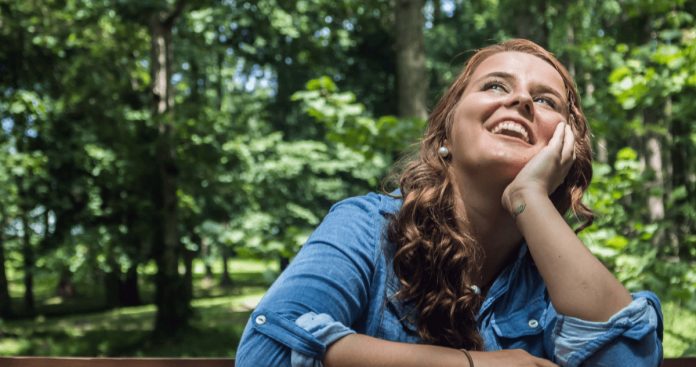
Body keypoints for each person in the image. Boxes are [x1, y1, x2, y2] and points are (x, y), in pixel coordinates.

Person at [235, 39, 663, 367]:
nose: (520, 101)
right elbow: (267, 349)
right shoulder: (366, 227)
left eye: (545, 99)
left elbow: (628, 359)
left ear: (565, 146)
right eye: (495, 85)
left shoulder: (559, 280)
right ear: (445, 134)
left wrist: (528, 196)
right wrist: (477, 363)